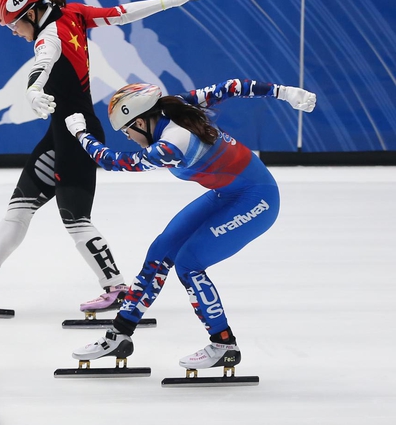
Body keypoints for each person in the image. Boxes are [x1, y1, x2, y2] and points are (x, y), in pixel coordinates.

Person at [0, 0, 205, 314]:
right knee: (20, 207)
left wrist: (34, 90)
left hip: (78, 137)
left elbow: (43, 61)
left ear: (32, 13)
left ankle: (117, 288)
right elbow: (120, 13)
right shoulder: (73, 13)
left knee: (76, 219)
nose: (13, 32)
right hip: (61, 133)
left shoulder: (48, 36)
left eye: (14, 24)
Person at [67, 79, 316, 370]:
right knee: (160, 251)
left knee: (189, 263)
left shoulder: (171, 144)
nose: (128, 138)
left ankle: (224, 343)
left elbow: (113, 161)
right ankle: (119, 335)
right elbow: (231, 87)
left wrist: (82, 134)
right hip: (228, 193)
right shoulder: (178, 106)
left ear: (141, 122)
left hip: (257, 200)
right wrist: (283, 94)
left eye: (127, 131)